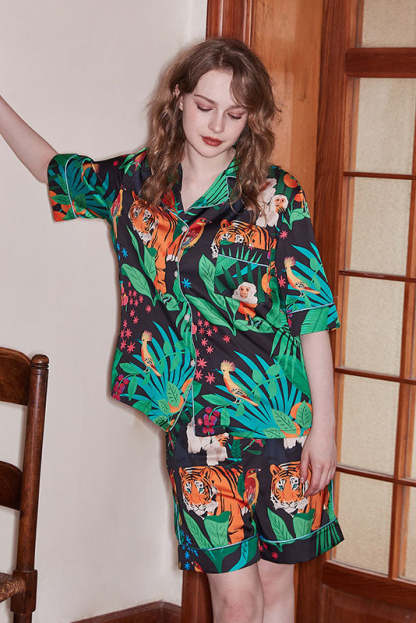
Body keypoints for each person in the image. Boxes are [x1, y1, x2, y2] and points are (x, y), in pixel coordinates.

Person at [1, 36, 344, 623]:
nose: (217, 125)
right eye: (205, 106)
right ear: (179, 98)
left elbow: (310, 314)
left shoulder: (275, 195)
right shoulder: (137, 182)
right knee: (235, 598)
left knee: (275, 585)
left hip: (281, 419)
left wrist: (326, 430)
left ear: (251, 119)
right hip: (196, 424)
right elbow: (52, 169)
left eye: (235, 114)